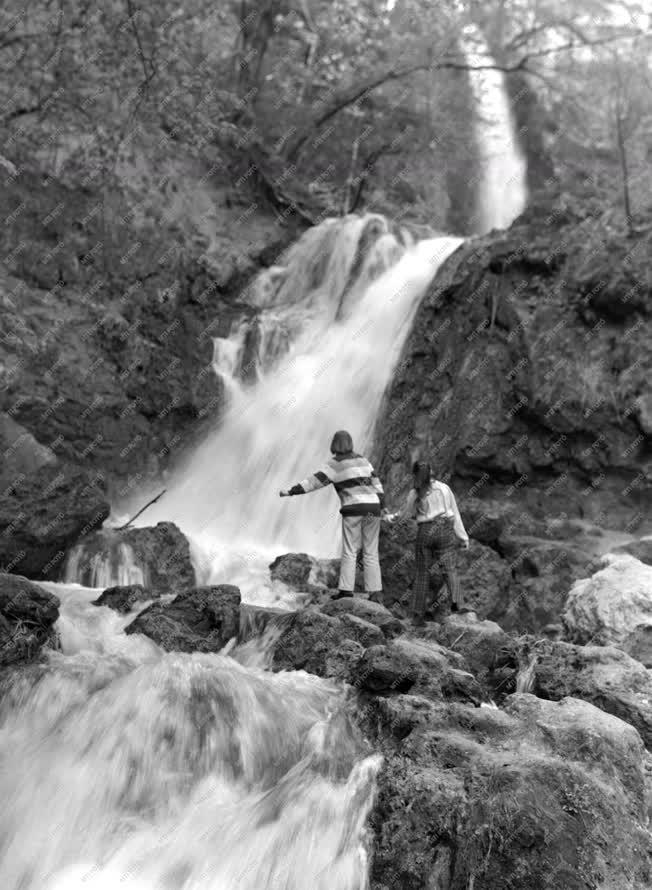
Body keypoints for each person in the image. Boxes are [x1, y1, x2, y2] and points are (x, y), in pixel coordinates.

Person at [279, 430, 385, 600]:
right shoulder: (363, 461)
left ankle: (346, 591)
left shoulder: (334, 464)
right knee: (371, 552)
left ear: (334, 445)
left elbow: (314, 482)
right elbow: (377, 485)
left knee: (350, 550)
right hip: (374, 508)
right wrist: (383, 506)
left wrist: (291, 491)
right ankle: (376, 593)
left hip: (354, 509)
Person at [387, 460, 469, 625]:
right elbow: (455, 513)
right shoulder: (445, 488)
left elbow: (404, 515)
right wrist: (463, 536)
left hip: (426, 531)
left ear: (415, 475)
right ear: (432, 471)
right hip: (445, 529)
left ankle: (418, 615)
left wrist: (389, 518)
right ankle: (458, 604)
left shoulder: (415, 493)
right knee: (450, 568)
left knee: (422, 573)